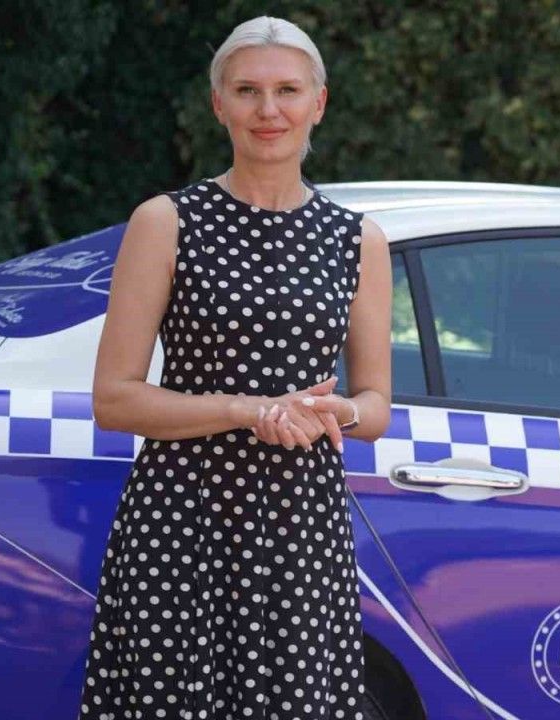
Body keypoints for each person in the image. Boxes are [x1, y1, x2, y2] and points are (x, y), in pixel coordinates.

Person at [79, 15, 391, 720]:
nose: (268, 110)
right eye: (247, 90)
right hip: (179, 520)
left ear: (319, 102)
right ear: (219, 104)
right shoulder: (165, 221)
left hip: (299, 528)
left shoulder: (358, 240)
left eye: (287, 90)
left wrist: (334, 412)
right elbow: (114, 399)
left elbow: (375, 406)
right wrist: (246, 411)